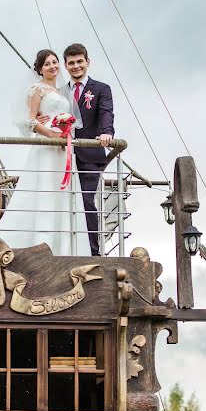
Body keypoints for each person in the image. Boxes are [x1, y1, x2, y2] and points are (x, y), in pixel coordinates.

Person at [0, 49, 90, 256]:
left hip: (63, 148)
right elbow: (30, 120)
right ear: (39, 69)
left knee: (63, 193)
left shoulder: (61, 92)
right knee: (44, 187)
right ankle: (39, 243)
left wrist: (64, 133)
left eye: (55, 62)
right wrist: (50, 134)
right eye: (47, 64)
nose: (53, 66)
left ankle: (64, 248)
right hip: (47, 146)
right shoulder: (36, 89)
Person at [64, 43, 115, 256]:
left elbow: (105, 112)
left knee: (86, 200)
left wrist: (107, 132)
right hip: (63, 156)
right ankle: (64, 249)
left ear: (87, 62)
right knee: (62, 204)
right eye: (71, 63)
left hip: (90, 155)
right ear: (66, 65)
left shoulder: (101, 89)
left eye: (79, 62)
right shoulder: (59, 92)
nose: (76, 66)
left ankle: (93, 251)